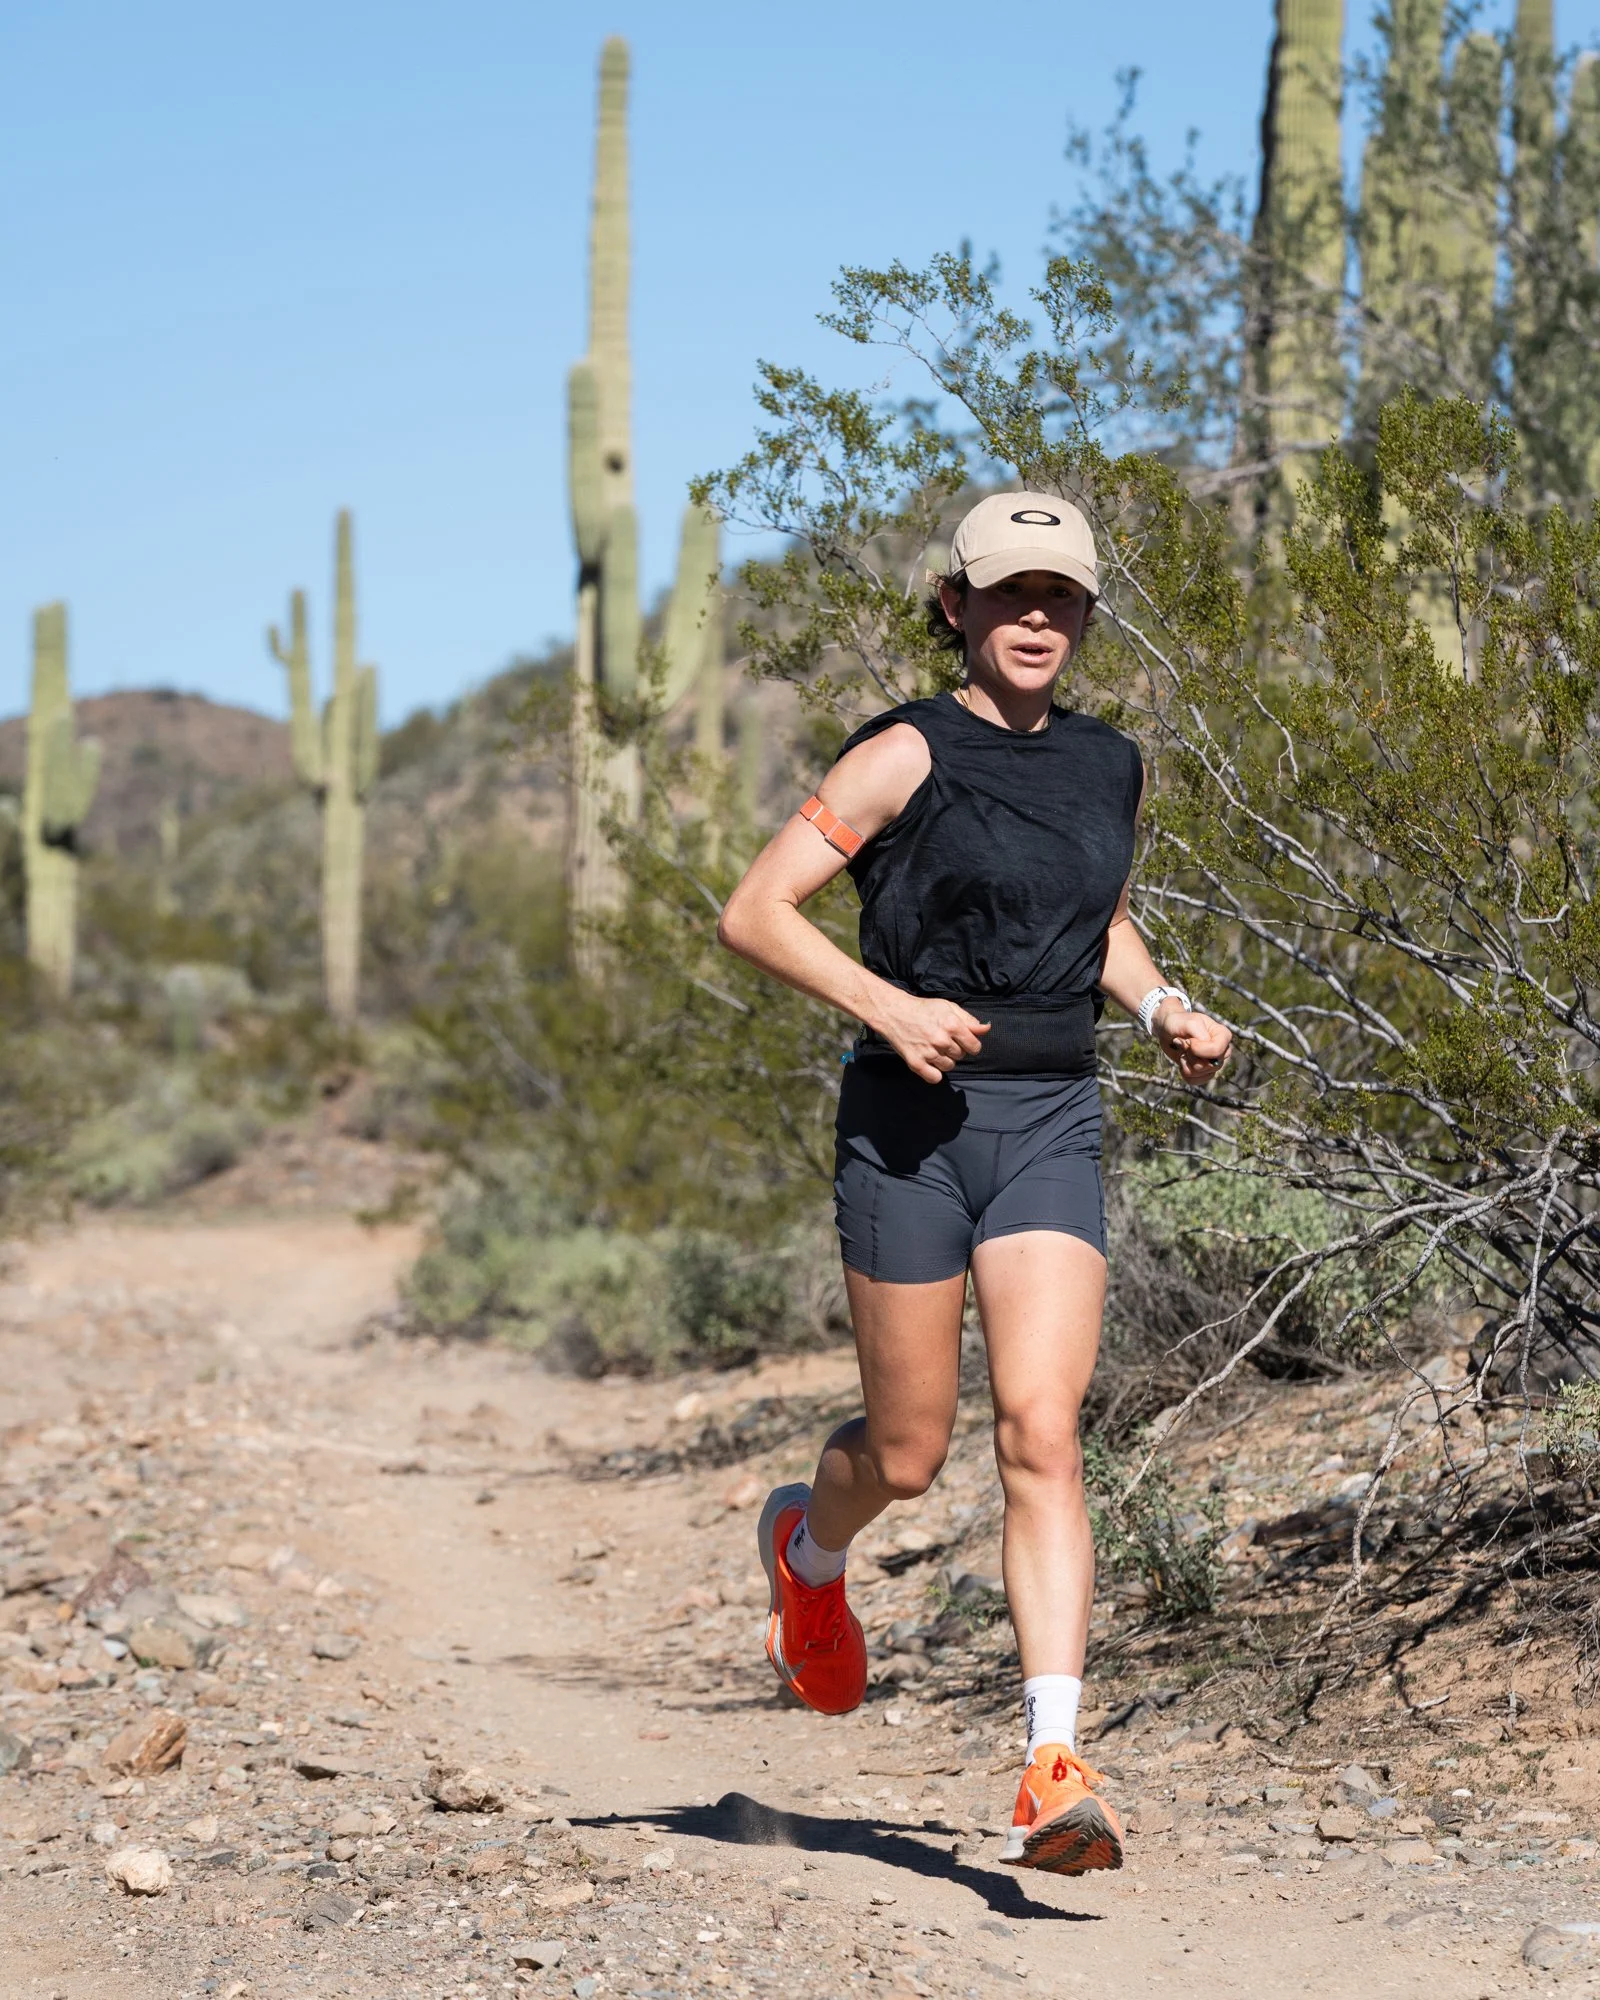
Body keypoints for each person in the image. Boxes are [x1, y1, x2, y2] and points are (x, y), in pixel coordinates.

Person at [715, 492, 1233, 1876]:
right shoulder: (900, 756)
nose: (1037, 621)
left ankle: (1054, 1761)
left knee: (1042, 1433)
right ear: (956, 605)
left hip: (1052, 1117)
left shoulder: (1109, 763)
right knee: (906, 1450)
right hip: (912, 1129)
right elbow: (755, 911)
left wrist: (1164, 1004)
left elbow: (1098, 918)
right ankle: (807, 1556)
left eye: (1061, 598)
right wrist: (887, 1005)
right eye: (1011, 596)